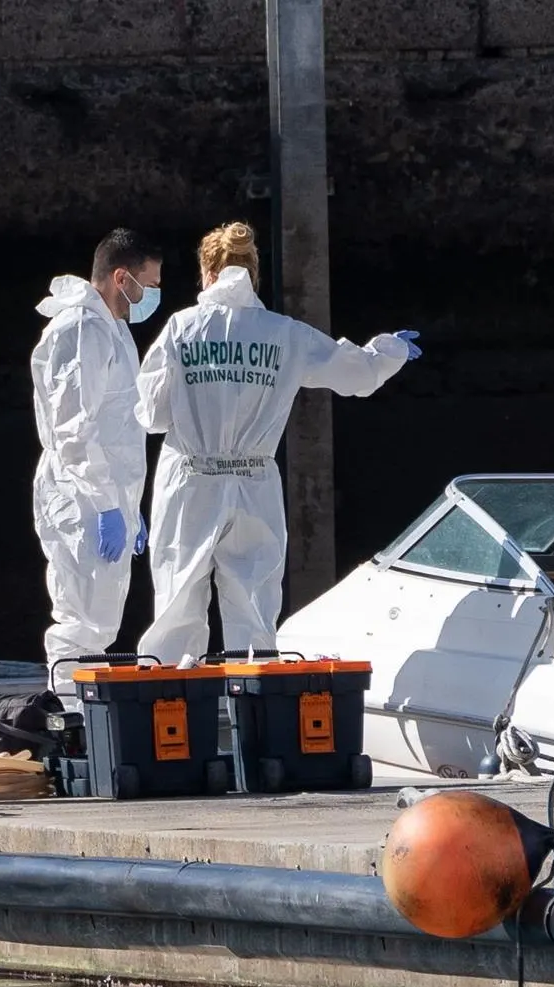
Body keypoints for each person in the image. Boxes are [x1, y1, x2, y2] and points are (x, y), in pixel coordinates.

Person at [132, 221, 420, 663]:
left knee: (176, 611)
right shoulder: (285, 334)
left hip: (191, 480)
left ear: (206, 274)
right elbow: (357, 374)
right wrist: (389, 353)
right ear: (255, 274)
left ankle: (171, 720)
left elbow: (151, 416)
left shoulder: (181, 329)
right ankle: (257, 718)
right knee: (253, 614)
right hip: (254, 483)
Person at [30, 228, 164, 697]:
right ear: (120, 276)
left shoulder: (111, 327)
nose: (151, 295)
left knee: (99, 620)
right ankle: (70, 717)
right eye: (148, 283)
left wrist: (128, 505)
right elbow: (73, 429)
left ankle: (81, 718)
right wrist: (110, 504)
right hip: (81, 495)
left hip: (104, 496)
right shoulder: (81, 329)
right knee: (81, 619)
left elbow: (118, 423)